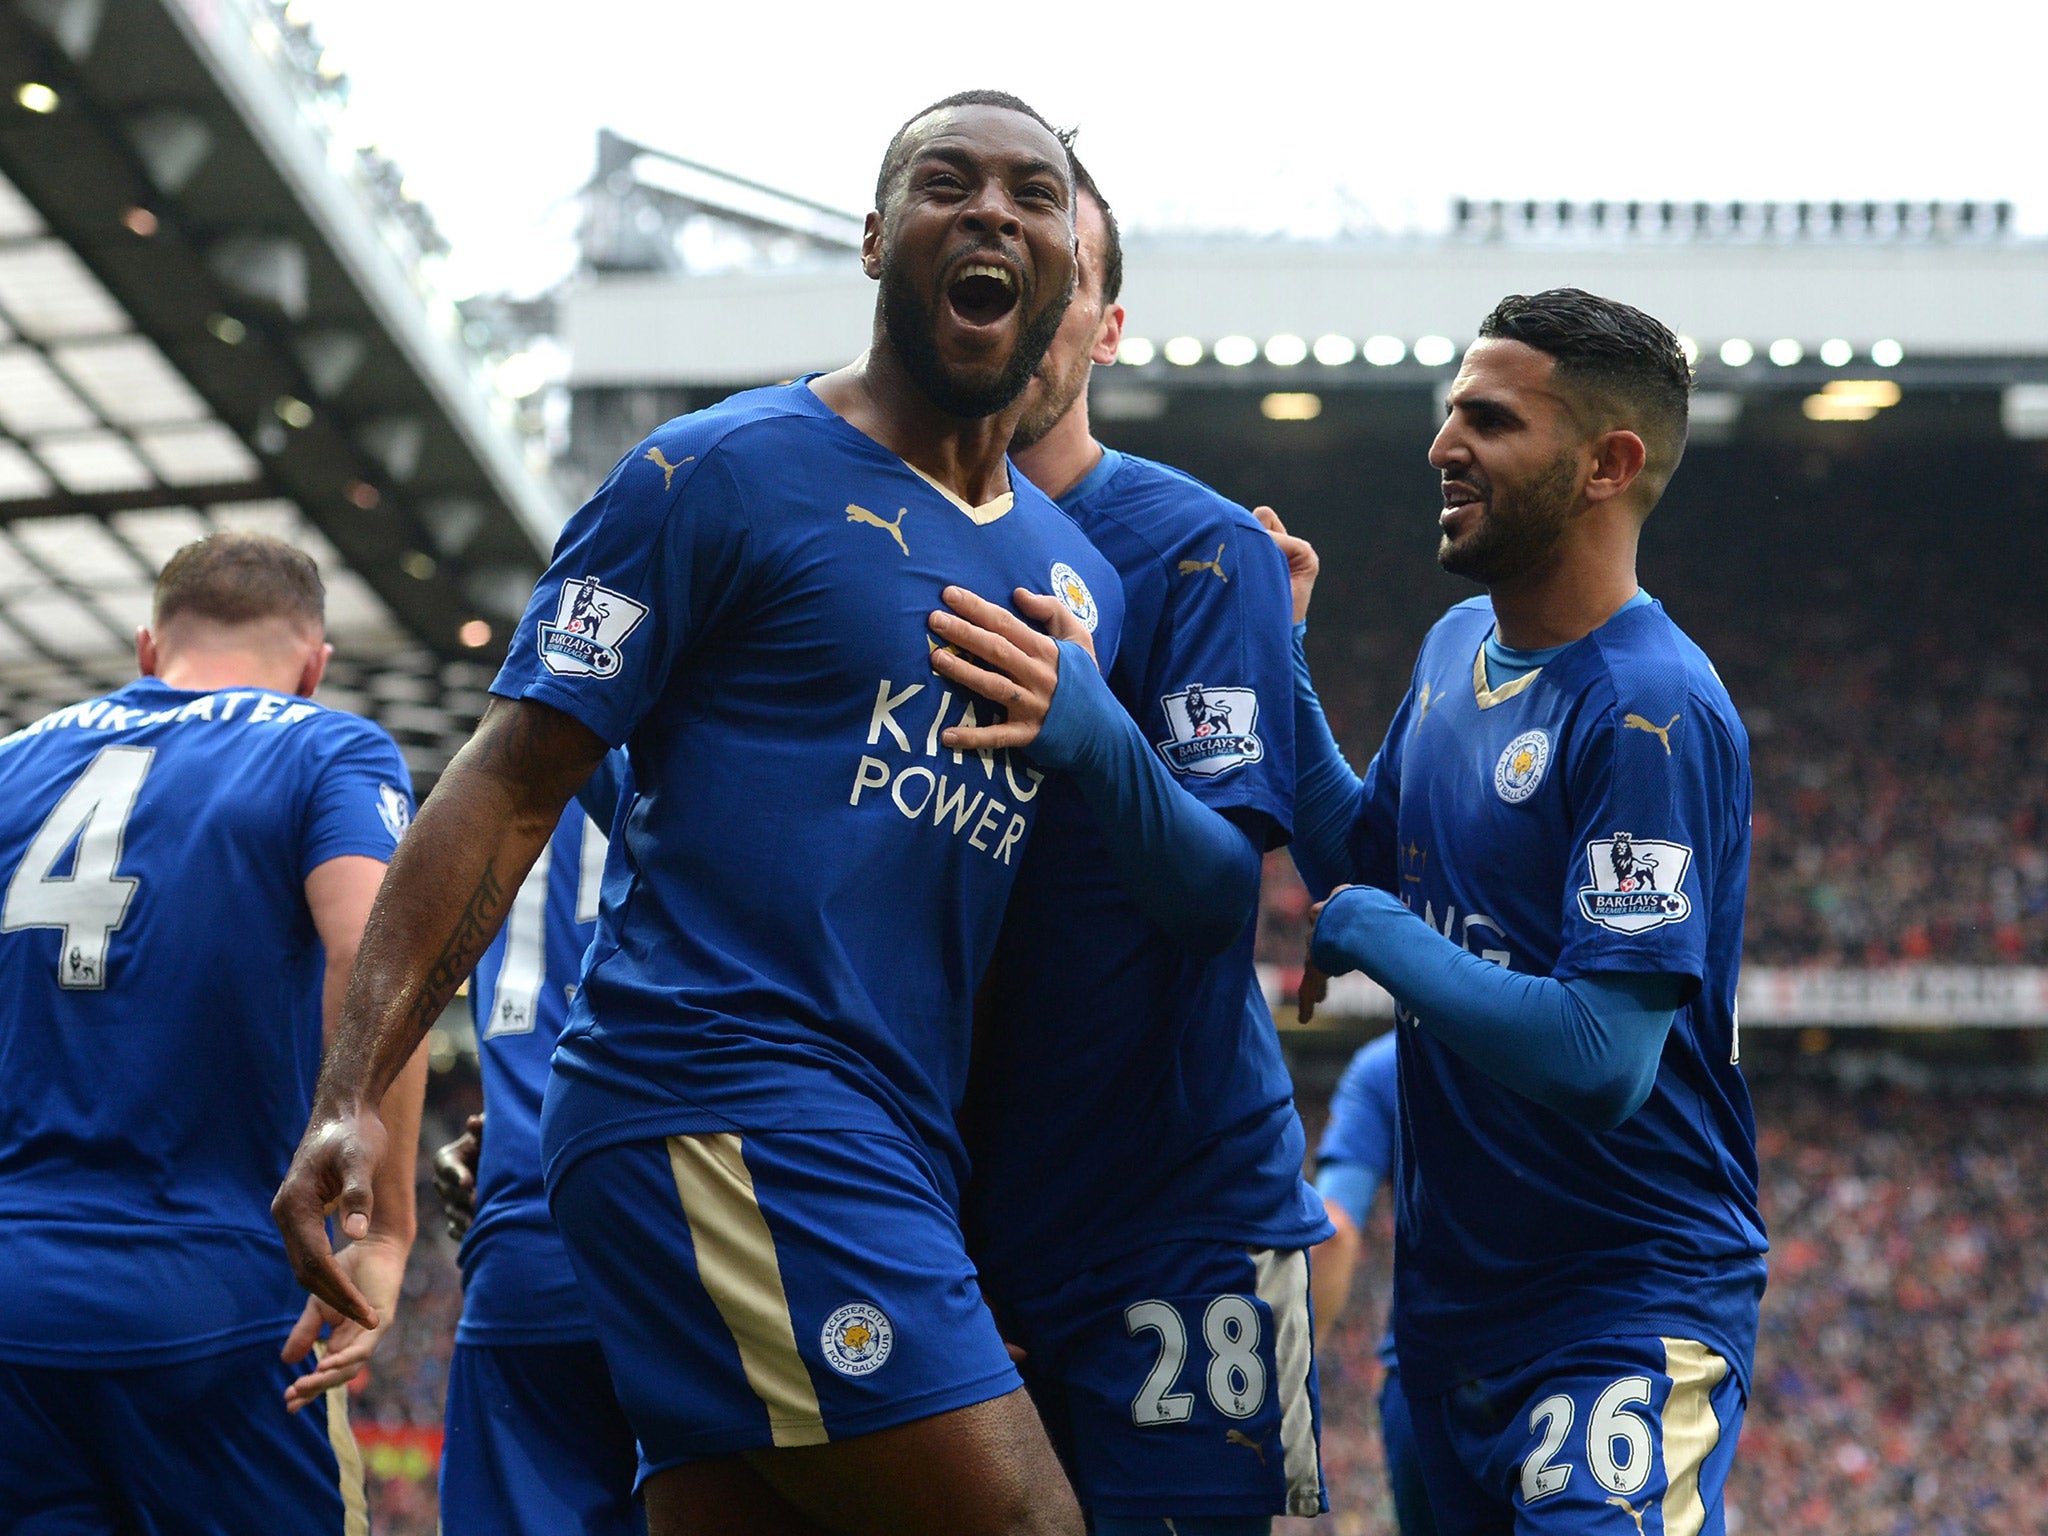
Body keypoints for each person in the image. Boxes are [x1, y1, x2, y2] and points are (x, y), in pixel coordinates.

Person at [274, 90, 1126, 1536]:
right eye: (946, 181)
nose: (993, 211)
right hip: (726, 1103)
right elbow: (509, 784)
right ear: (873, 240)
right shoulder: (714, 473)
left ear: (1069, 272)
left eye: (1034, 195)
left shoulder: (1069, 577)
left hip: (893, 1141)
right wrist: (359, 1086)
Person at [1268, 289, 1766, 1536]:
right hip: (1445, 1332)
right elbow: (1362, 850)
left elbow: (1600, 1060)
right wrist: (1273, 658)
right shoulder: (1454, 650)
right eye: (1449, 416)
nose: (1443, 447)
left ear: (1608, 464)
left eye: (1489, 422)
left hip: (1618, 1318)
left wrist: (1376, 933)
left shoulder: (1651, 712)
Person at [961, 157, 1328, 1536]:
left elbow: (1221, 893)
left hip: (1170, 1216)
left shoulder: (1194, 549)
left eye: (1068, 287)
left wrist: (1097, 736)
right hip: (935, 1211)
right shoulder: (883, 531)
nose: (1028, 314)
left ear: (1105, 324)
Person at [0, 531, 423, 1532]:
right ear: (313, 664)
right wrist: (388, 1224)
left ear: (149, 649)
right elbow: (379, 960)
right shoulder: (328, 745)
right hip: (218, 1300)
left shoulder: (11, 762)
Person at [432, 753, 639, 1535]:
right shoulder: (725, 732)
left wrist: (514, 1132)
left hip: (518, 1247)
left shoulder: (502, 771)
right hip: (687, 1231)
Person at [1309, 1032, 1434, 1536]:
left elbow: (1332, 1226)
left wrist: (1296, 1369)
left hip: (1428, 1378)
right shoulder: (1565, 1040)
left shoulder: (1387, 1063)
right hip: (1566, 1366)